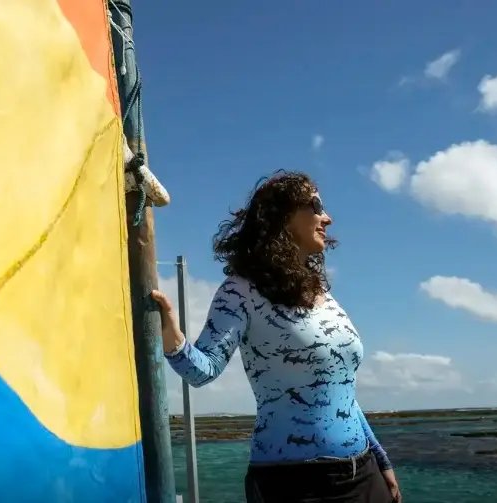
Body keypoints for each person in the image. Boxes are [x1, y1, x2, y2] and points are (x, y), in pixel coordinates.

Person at [151, 171, 402, 503]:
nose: (327, 217)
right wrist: (170, 333)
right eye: (315, 206)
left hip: (363, 472)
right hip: (292, 483)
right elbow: (202, 371)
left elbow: (343, 393)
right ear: (283, 216)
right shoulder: (240, 291)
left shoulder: (324, 296)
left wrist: (381, 459)